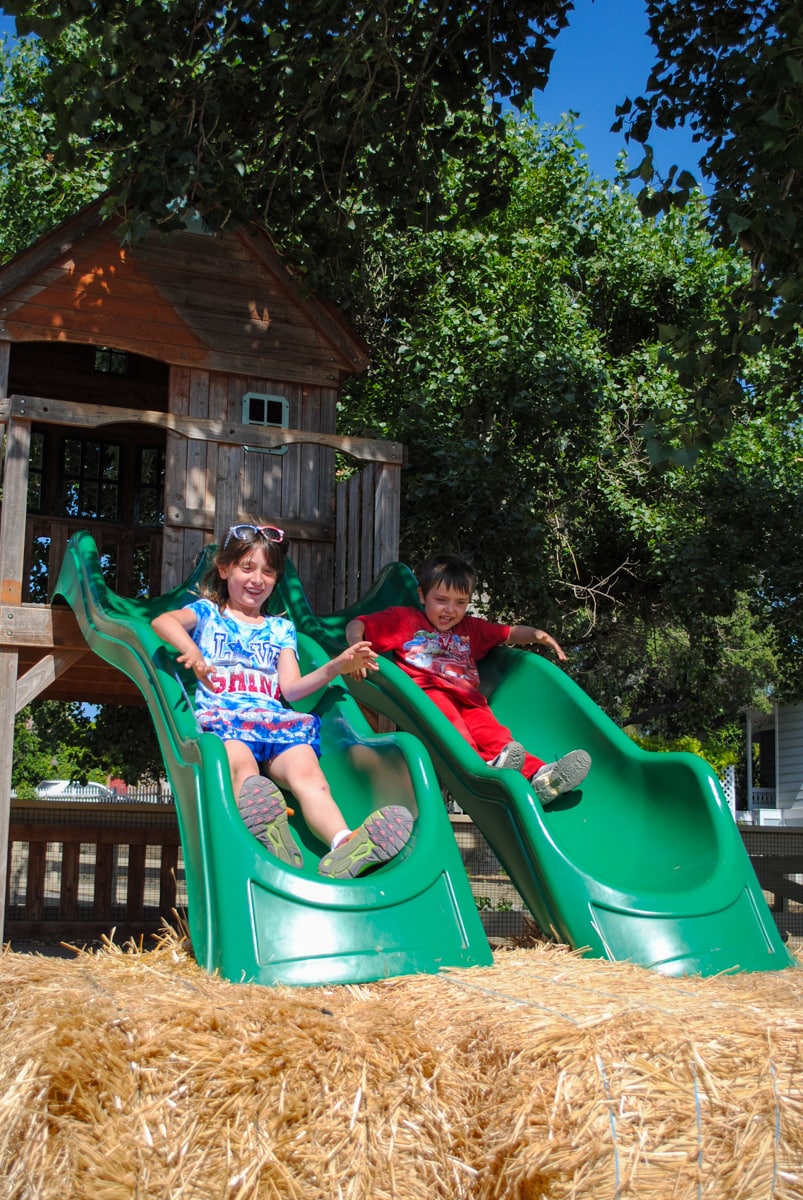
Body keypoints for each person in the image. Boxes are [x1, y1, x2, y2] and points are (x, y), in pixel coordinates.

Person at [151, 522, 412, 877]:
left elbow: (291, 690)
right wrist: (192, 649)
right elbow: (162, 621)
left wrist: (337, 666)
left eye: (268, 572)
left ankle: (345, 842)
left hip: (276, 724)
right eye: (247, 568)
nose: (257, 579)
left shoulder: (280, 628)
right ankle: (265, 830)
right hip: (227, 720)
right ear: (225, 569)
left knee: (311, 777)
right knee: (241, 768)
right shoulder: (207, 613)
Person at [345, 552, 591, 805]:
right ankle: (484, 772)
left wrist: (538, 635)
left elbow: (508, 633)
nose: (450, 610)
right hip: (430, 694)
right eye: (441, 600)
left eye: (460, 603)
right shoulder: (406, 620)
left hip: (471, 699)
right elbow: (357, 623)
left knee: (499, 737)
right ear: (422, 595)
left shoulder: (470, 629)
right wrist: (355, 647)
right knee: (458, 732)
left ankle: (540, 777)